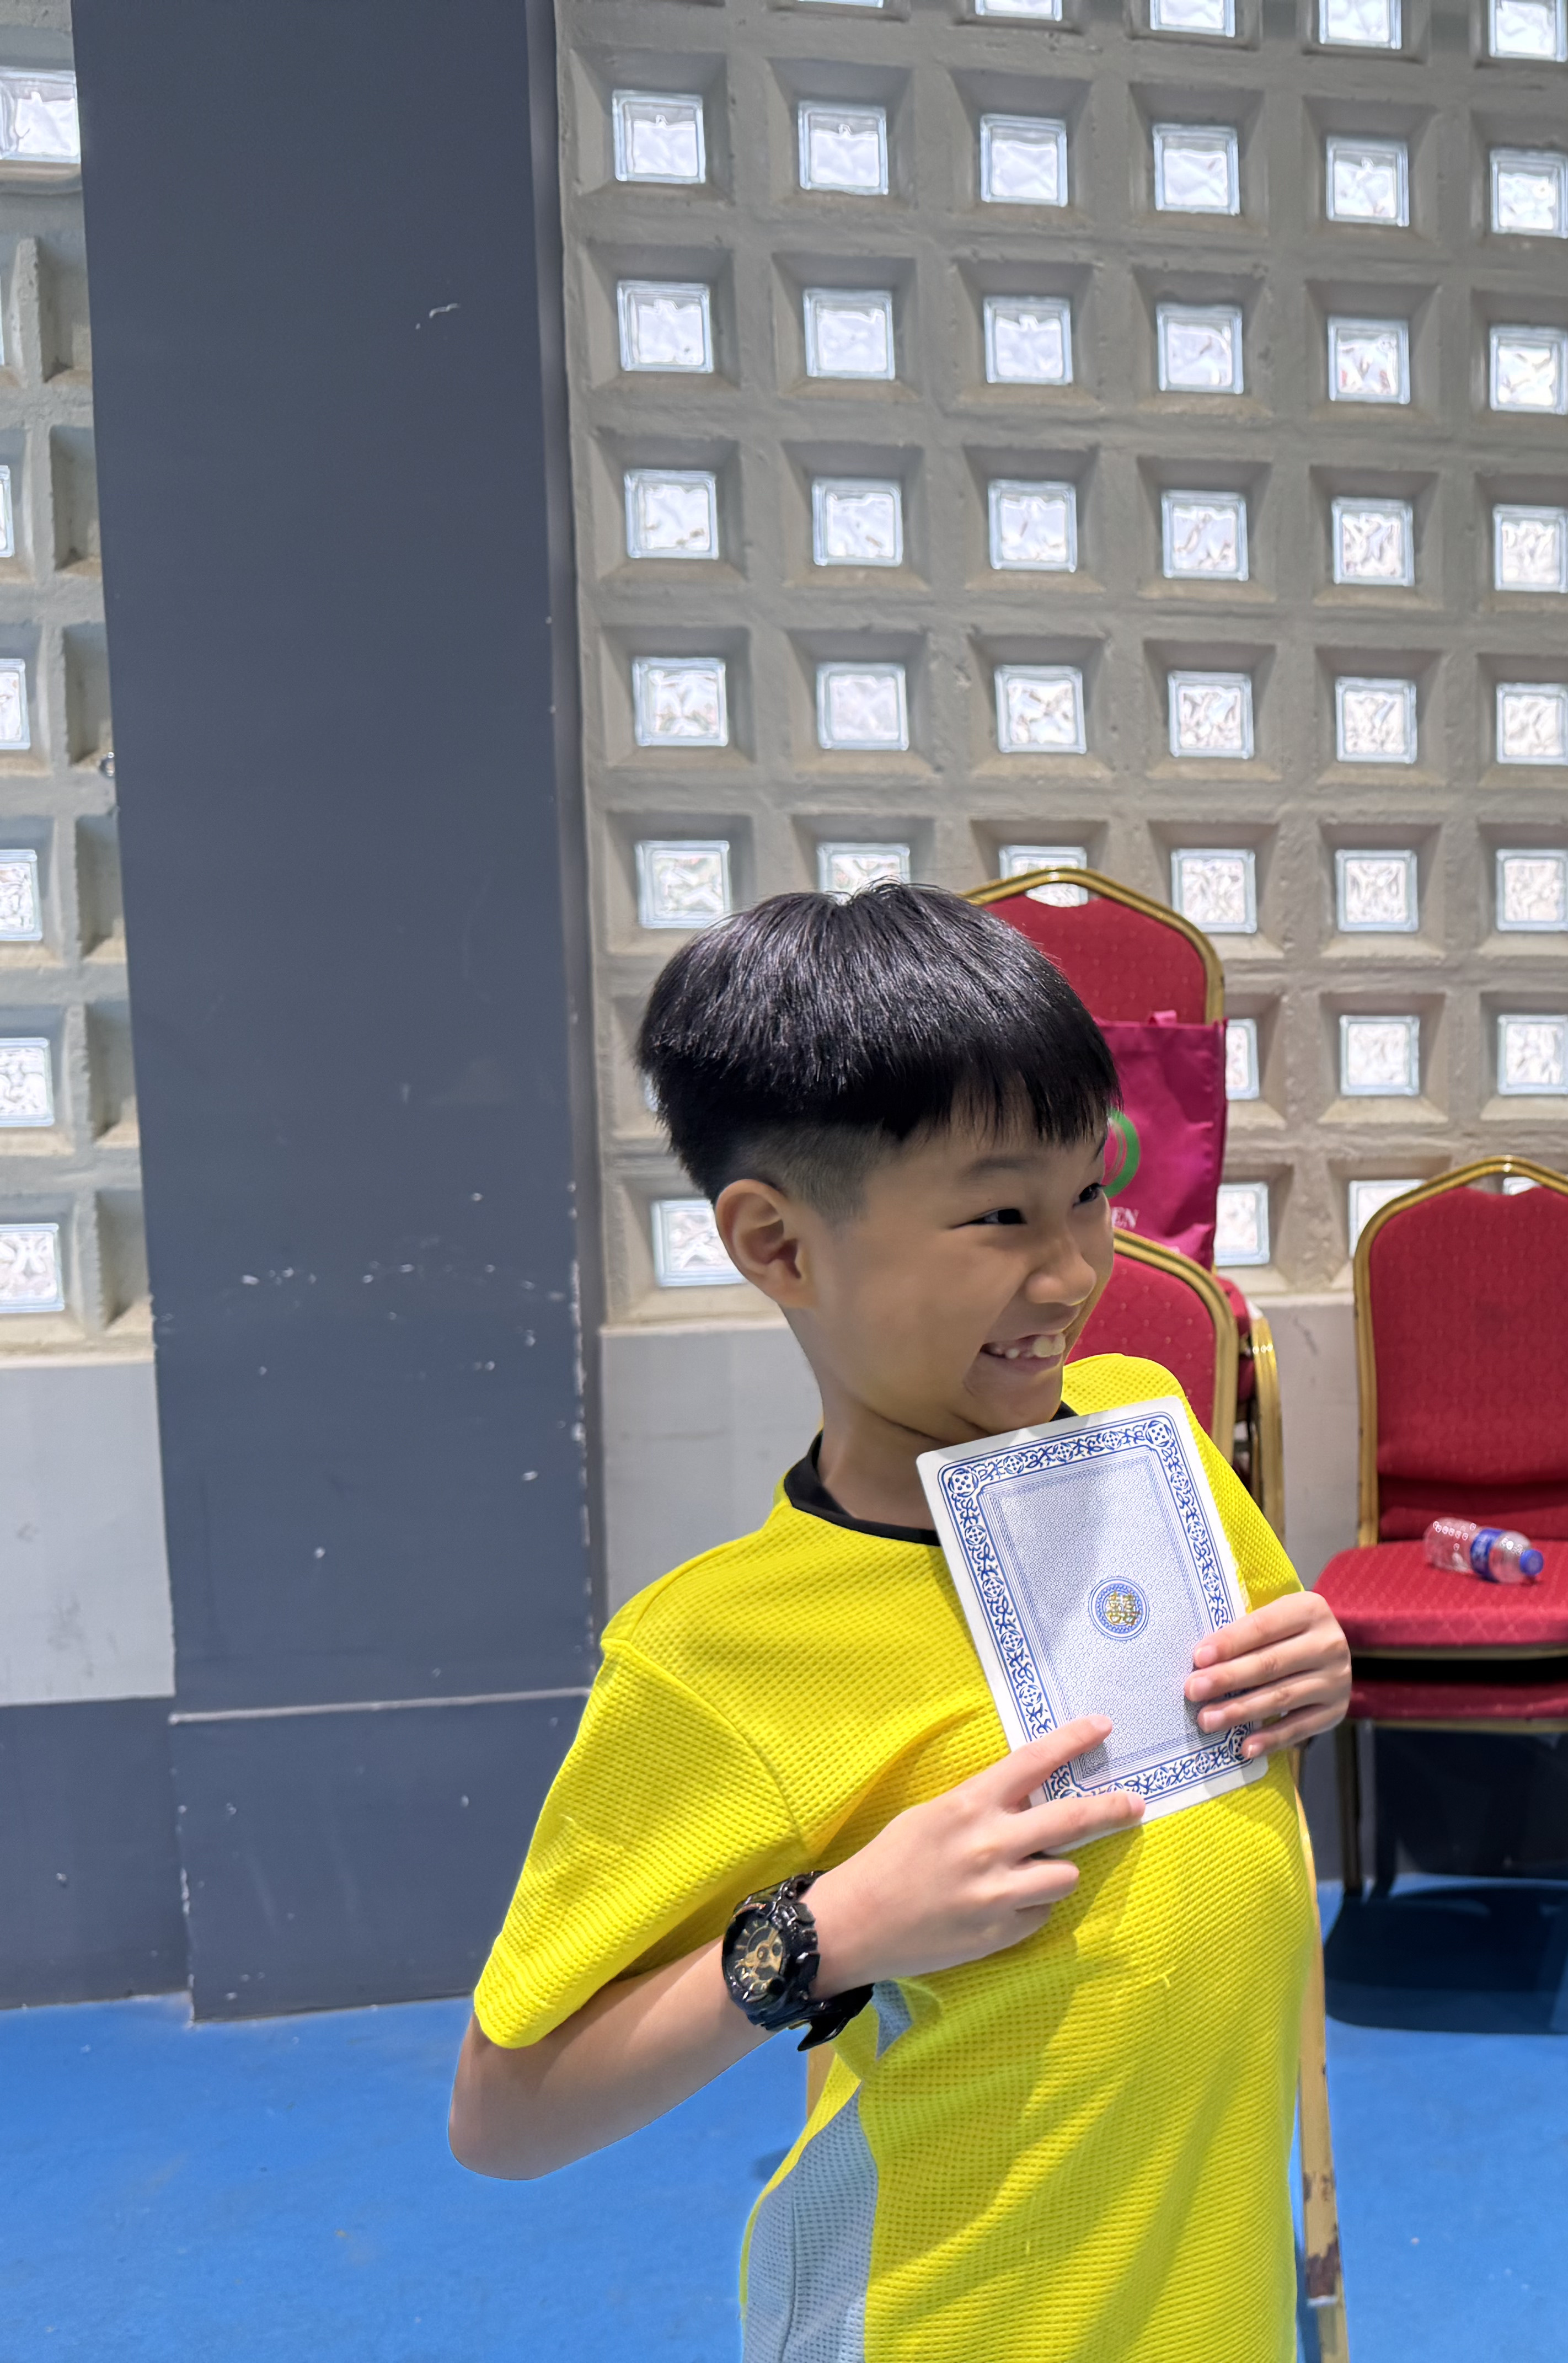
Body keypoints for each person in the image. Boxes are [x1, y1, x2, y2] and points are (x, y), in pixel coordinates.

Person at [447, 885, 1349, 2363]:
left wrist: (1314, 1671)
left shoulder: (1147, 1427)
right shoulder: (719, 1651)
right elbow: (503, 2114)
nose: (1074, 1272)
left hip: (1211, 2304)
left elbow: (1252, 1730)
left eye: (1091, 1192)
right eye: (1001, 1215)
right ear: (780, 1246)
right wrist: (826, 1932)